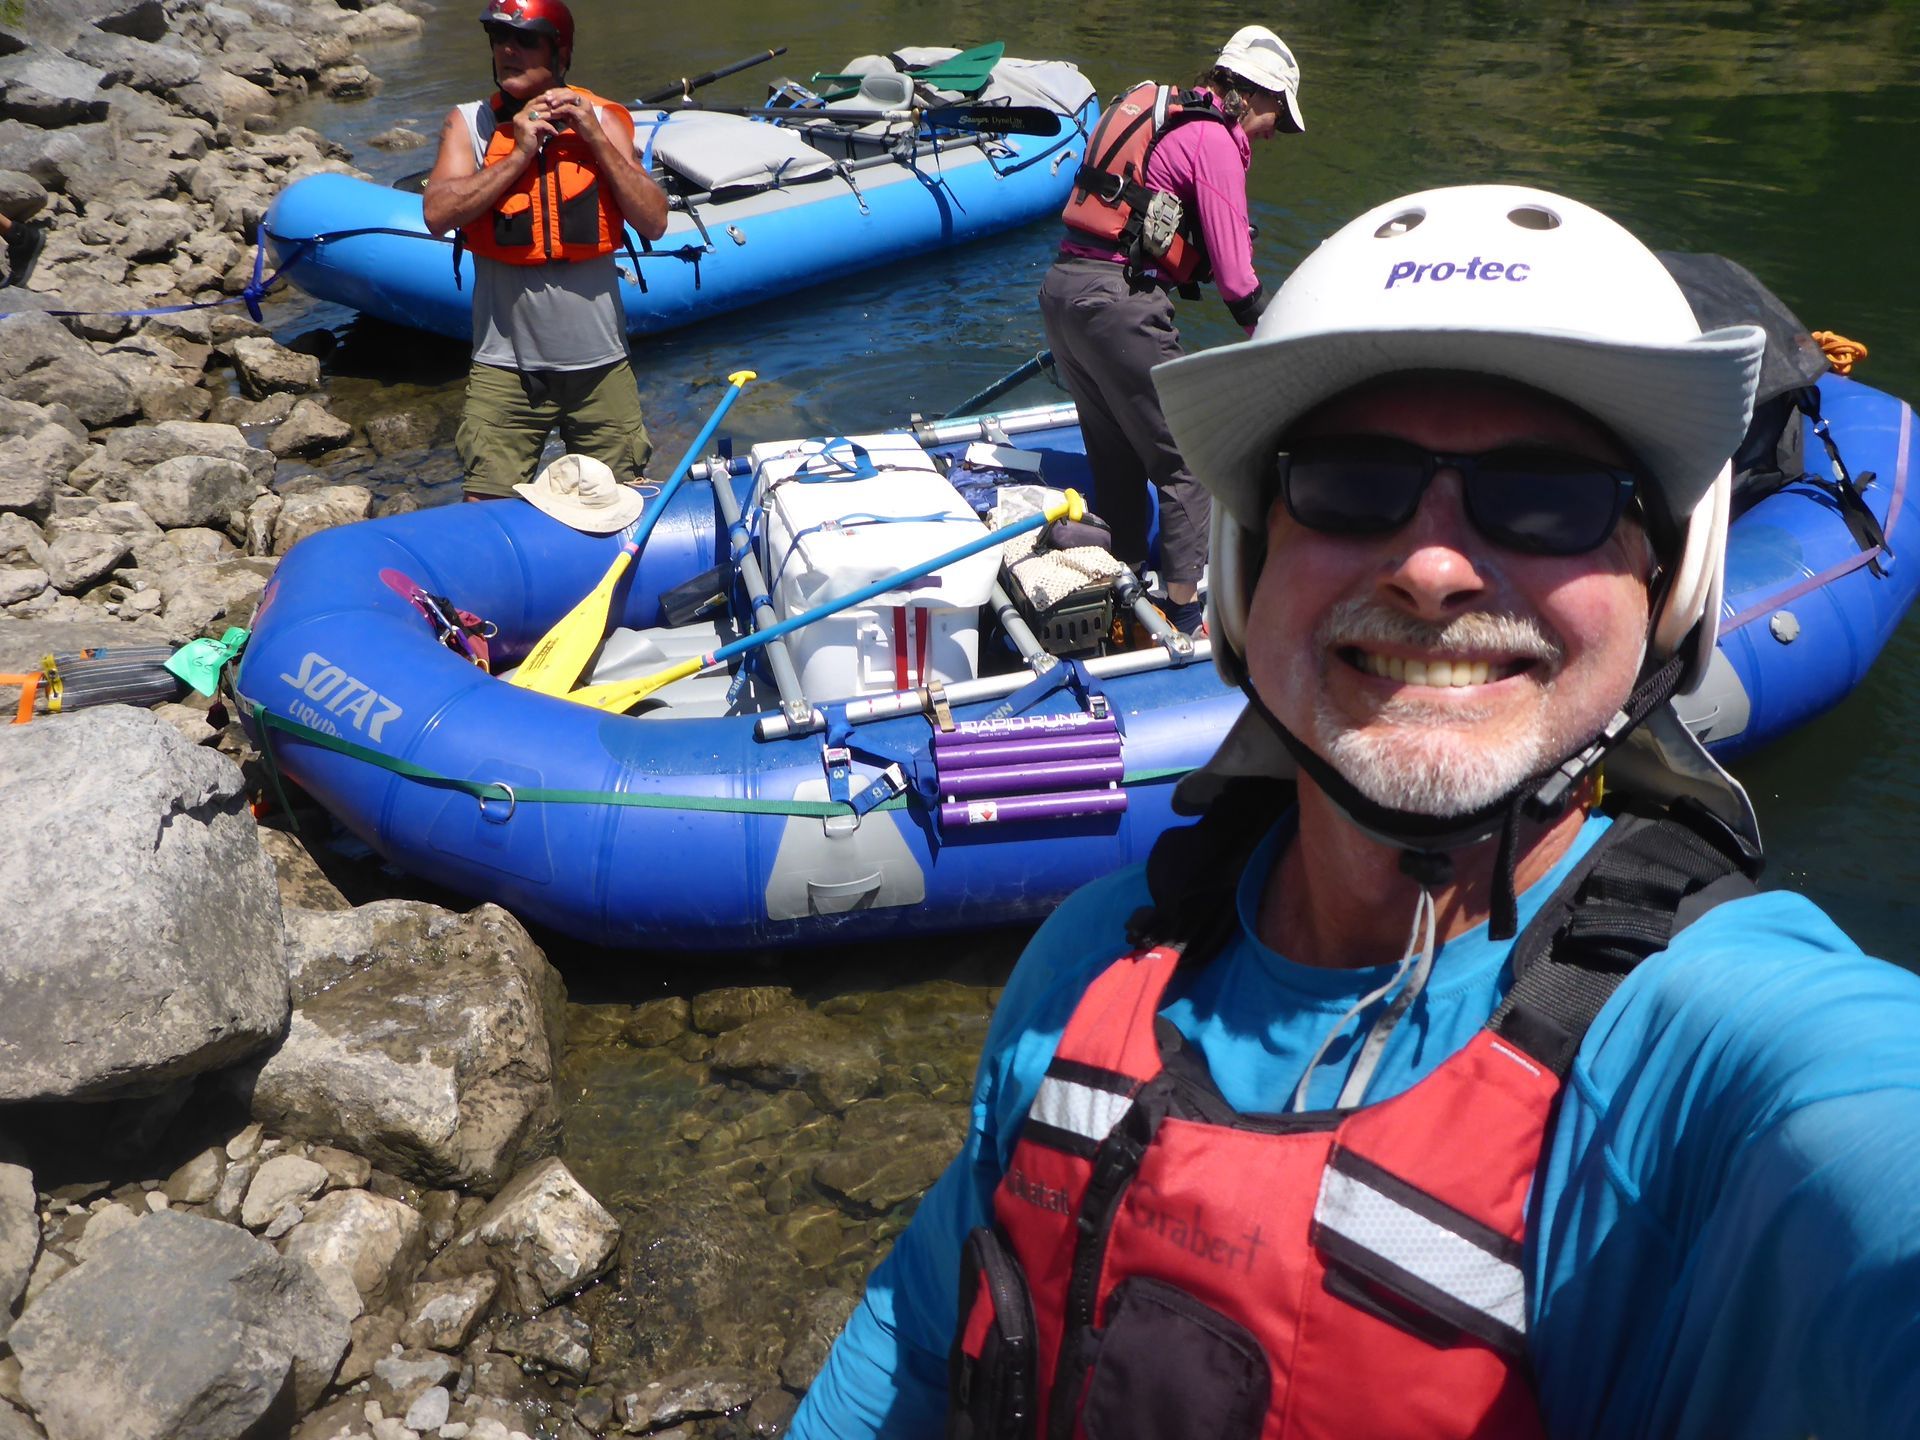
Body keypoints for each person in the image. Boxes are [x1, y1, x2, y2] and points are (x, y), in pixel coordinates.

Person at [788, 185, 1920, 1439]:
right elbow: (907, 1355)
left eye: (1548, 496)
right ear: (1250, 567)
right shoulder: (1090, 961)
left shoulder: (1706, 1051)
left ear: (1666, 584)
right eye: (1349, 481)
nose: (1433, 569)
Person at [1039, 25, 1304, 636]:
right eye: (1275, 117)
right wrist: (1279, 351)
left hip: (1064, 293)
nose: (1273, 133)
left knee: (1119, 460)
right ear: (1253, 94)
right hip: (1116, 306)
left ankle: (1119, 596)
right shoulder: (1211, 137)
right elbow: (1238, 281)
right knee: (1190, 463)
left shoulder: (1167, 116)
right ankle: (1186, 618)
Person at [421, 0, 669, 501]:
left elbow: (653, 220)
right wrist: (517, 155)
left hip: (600, 367)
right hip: (505, 370)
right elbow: (437, 214)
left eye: (525, 39)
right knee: (485, 511)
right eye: (498, 38)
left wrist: (594, 138)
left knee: (617, 510)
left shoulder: (604, 119)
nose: (508, 50)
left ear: (560, 50)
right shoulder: (469, 123)